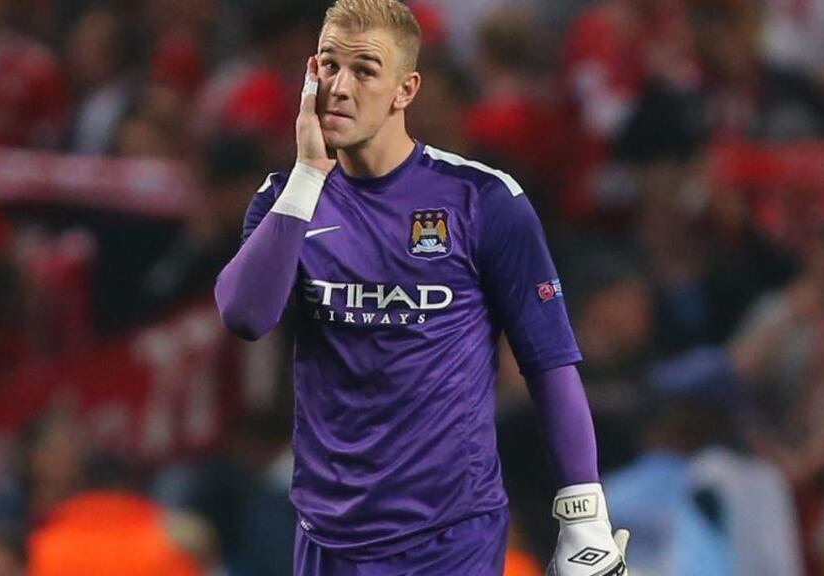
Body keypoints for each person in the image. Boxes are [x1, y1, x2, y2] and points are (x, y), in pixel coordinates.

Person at [215, 1, 628, 574]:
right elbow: (244, 315)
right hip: (327, 537)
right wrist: (310, 172)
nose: (340, 85)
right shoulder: (288, 199)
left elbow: (549, 361)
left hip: (448, 536)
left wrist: (584, 516)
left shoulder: (482, 200)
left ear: (405, 90)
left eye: (365, 70)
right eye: (329, 66)